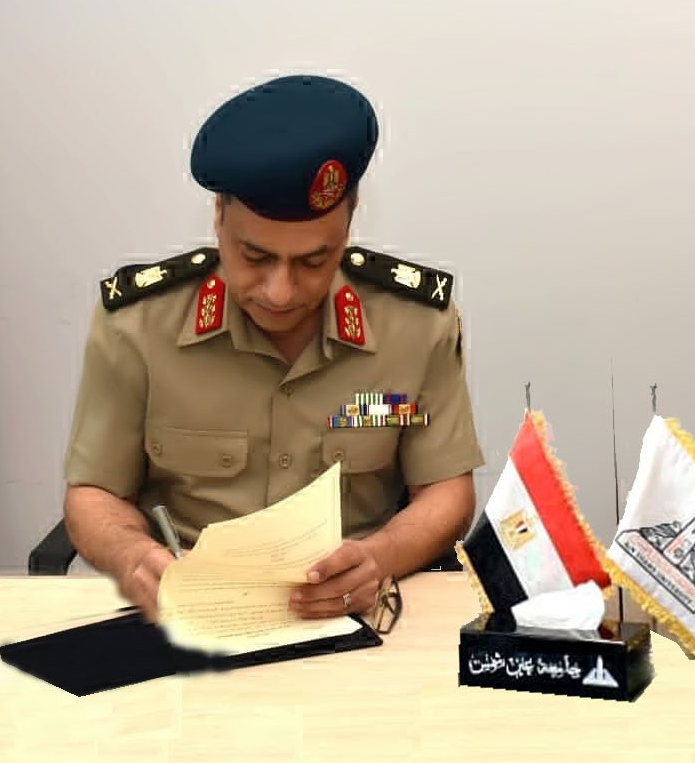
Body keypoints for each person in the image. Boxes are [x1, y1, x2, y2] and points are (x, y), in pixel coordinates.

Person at [62, 74, 484, 622]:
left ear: (350, 222)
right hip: (188, 614)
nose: (281, 292)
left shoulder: (415, 326)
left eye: (313, 260)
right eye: (255, 257)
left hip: (352, 612)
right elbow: (93, 493)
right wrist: (133, 555)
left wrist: (379, 557)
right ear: (218, 217)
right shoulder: (138, 328)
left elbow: (446, 489)